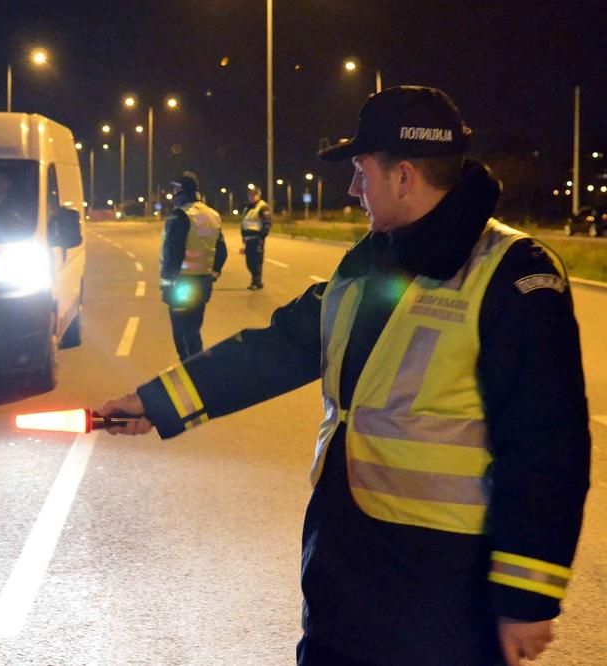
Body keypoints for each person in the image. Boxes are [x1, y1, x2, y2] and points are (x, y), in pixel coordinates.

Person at [101, 86, 590, 665]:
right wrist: (154, 403)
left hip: (444, 593)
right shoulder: (369, 263)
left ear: (404, 177)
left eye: (362, 171)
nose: (354, 188)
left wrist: (527, 598)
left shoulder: (514, 275)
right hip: (343, 571)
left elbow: (547, 446)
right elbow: (277, 350)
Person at [160, 171, 227, 361]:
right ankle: (198, 368)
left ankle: (192, 372)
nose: (173, 194)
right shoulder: (213, 215)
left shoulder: (181, 216)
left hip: (182, 283)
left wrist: (166, 283)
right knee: (194, 329)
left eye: (175, 190)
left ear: (181, 192)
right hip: (204, 282)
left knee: (182, 334)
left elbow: (172, 252)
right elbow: (221, 250)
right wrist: (214, 272)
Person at [240, 187, 272, 289]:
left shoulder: (263, 207)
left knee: (256, 261)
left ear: (259, 195)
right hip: (248, 239)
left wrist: (262, 237)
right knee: (249, 262)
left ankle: (256, 282)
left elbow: (267, 224)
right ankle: (256, 281)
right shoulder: (248, 208)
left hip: (257, 239)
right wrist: (243, 236)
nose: (252, 197)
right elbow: (244, 223)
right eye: (250, 195)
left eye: (254, 195)